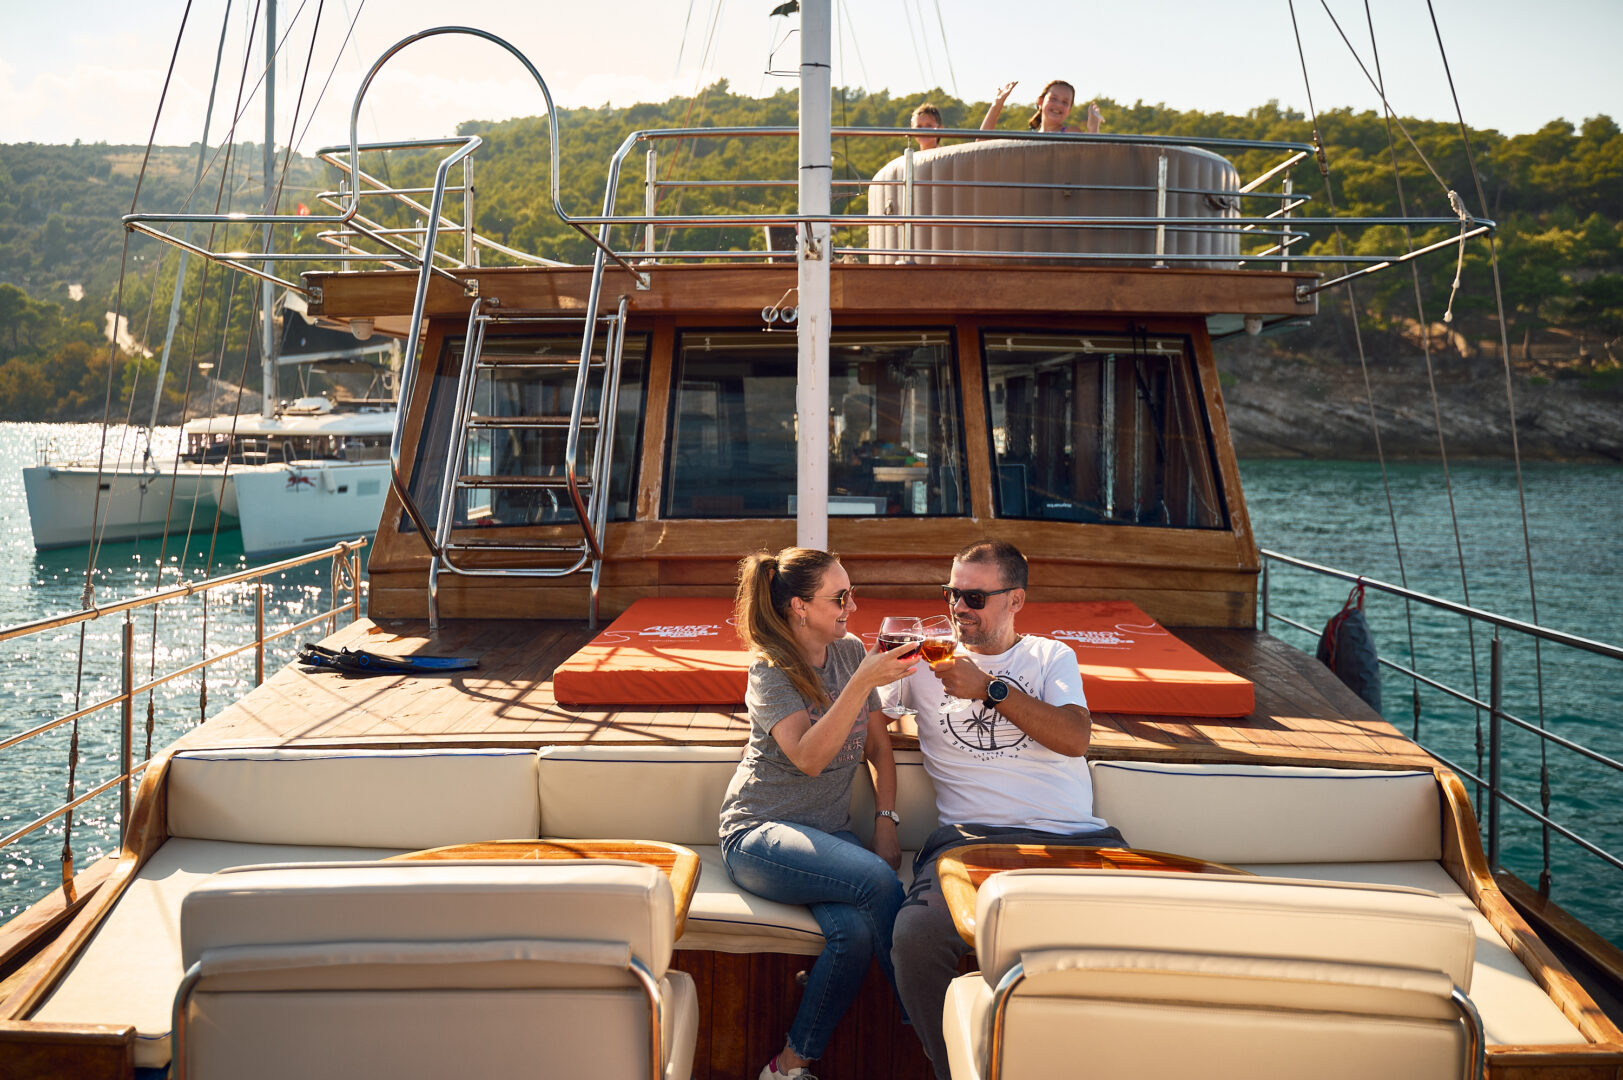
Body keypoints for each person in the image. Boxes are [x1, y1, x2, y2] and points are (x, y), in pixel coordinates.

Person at [888, 539, 1126, 1080]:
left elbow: (1075, 737)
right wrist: (884, 817)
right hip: (971, 844)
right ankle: (955, 1069)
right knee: (914, 939)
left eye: (974, 597)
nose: (958, 607)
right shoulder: (922, 662)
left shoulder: (1049, 657)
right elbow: (870, 722)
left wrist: (989, 689)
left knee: (1143, 933)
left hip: (1074, 841)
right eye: (951, 594)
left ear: (1015, 599)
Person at [720, 547, 918, 1080]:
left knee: (854, 936)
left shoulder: (850, 652)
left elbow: (878, 747)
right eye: (840, 597)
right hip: (757, 834)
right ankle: (929, 1027)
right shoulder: (770, 671)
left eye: (851, 594)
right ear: (799, 607)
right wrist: (862, 683)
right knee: (877, 881)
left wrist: (886, 820)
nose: (852, 606)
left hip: (829, 835)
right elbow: (808, 758)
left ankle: (787, 1067)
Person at [981, 78, 1103, 135]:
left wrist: (1093, 128)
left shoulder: (1071, 133)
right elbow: (982, 142)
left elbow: (1090, 157)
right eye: (1053, 99)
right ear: (1040, 102)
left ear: (1069, 110)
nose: (1058, 105)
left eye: (1065, 102)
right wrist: (996, 105)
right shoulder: (1028, 139)